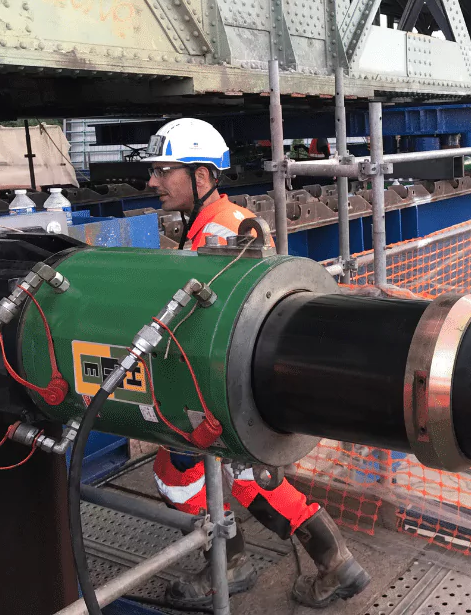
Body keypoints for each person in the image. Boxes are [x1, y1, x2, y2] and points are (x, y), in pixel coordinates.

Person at [142, 118, 370, 609]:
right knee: (243, 475)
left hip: (224, 385)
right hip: (243, 382)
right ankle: (335, 563)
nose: (153, 182)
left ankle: (234, 564)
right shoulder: (219, 224)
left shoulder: (217, 238)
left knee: (177, 472)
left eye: (164, 171)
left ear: (201, 178)